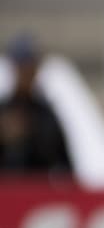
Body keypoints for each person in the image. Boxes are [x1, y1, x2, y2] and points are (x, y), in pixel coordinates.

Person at [0, 34, 71, 175]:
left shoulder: (46, 114)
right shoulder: (4, 111)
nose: (26, 72)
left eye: (30, 65)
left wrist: (33, 133)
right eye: (22, 66)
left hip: (37, 190)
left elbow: (63, 164)